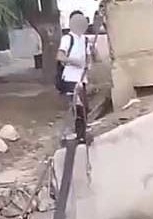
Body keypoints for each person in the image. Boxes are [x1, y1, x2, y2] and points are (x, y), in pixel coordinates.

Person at [56, 10, 90, 143]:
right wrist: (75, 62)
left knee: (83, 109)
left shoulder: (85, 40)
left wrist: (88, 64)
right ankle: (68, 136)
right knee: (75, 107)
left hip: (82, 79)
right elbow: (60, 56)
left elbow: (88, 59)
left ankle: (80, 136)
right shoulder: (67, 39)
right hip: (70, 79)